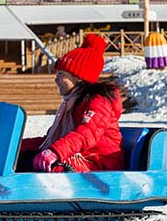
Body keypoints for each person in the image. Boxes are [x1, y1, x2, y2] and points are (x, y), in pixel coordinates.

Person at [20, 34, 124, 173]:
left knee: (54, 168)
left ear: (79, 76)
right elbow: (48, 141)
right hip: (80, 157)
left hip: (100, 162)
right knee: (20, 158)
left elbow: (86, 133)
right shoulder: (72, 104)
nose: (56, 80)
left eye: (61, 75)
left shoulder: (98, 102)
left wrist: (55, 152)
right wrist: (17, 146)